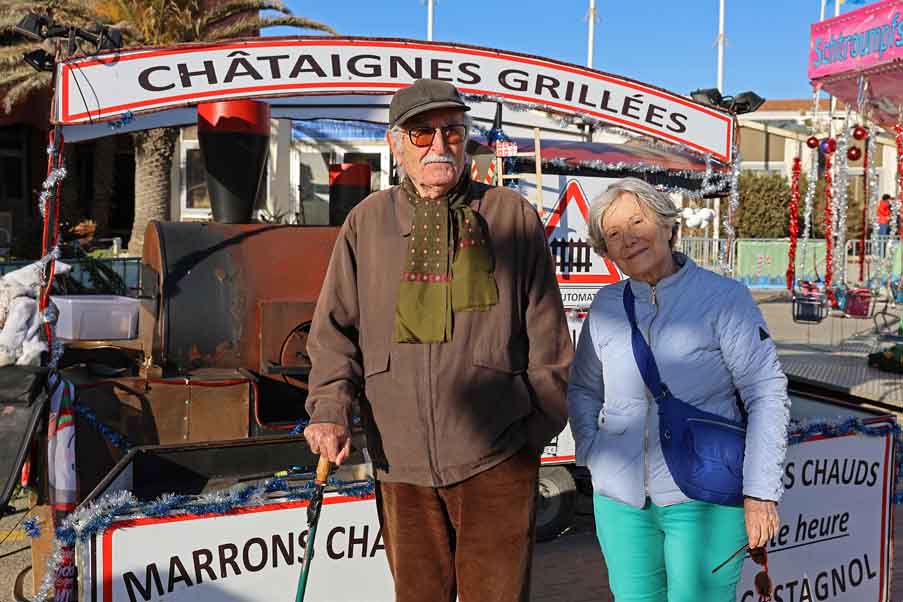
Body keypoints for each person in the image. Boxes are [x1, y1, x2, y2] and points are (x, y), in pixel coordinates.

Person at [303, 78, 573, 602]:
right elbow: (334, 332)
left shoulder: (510, 214)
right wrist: (330, 409)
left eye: (451, 130)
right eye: (421, 132)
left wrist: (531, 431)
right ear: (396, 143)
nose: (439, 144)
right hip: (400, 460)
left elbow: (549, 338)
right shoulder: (367, 222)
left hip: (497, 457)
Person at [568, 177, 790, 602]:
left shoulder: (723, 298)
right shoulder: (606, 305)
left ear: (668, 225)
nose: (629, 239)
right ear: (605, 250)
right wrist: (593, 454)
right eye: (613, 234)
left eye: (638, 221)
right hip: (621, 503)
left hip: (704, 495)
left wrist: (760, 492)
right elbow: (583, 388)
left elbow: (766, 392)